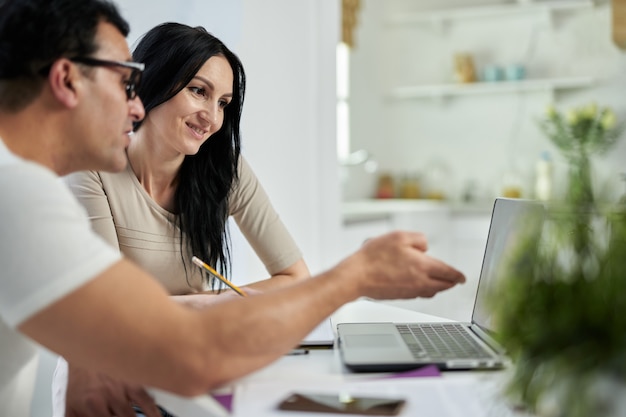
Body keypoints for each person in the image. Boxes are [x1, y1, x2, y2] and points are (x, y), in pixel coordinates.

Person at [0, 1, 466, 416]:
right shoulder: (20, 199)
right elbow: (174, 346)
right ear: (65, 80)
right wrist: (355, 276)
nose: (135, 107)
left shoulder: (19, 188)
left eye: (222, 102)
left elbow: (110, 326)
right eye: (125, 82)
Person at [56, 22, 310, 416]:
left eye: (224, 102)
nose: (211, 117)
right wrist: (208, 308)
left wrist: (209, 303)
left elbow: (296, 279)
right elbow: (109, 311)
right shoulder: (90, 167)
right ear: (154, 81)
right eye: (198, 91)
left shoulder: (225, 171)